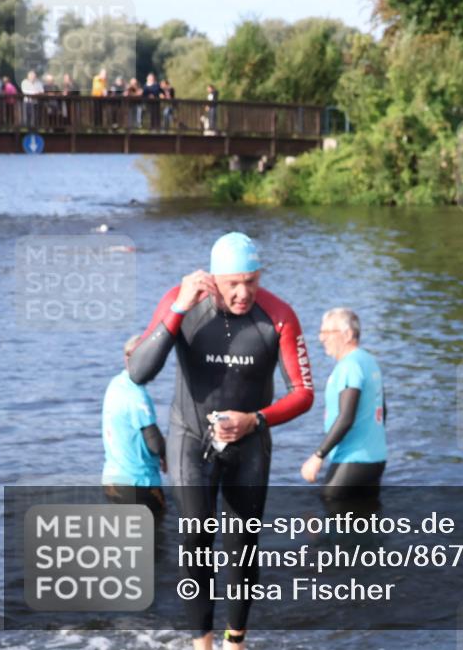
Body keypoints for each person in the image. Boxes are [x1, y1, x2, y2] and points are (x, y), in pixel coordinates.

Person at [128, 232, 314, 650]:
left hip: (249, 442)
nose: (244, 292)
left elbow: (304, 393)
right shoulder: (181, 300)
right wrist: (177, 310)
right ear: (213, 278)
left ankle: (235, 642)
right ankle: (202, 643)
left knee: (243, 547)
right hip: (190, 439)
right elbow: (139, 372)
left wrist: (255, 420)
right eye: (233, 283)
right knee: (195, 540)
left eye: (252, 280)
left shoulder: (279, 315)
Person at [300, 308, 387, 498]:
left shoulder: (349, 366)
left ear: (347, 335)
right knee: (365, 518)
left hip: (353, 459)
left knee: (330, 508)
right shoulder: (369, 361)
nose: (321, 338)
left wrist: (317, 456)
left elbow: (346, 417)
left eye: (327, 332)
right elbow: (382, 410)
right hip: (376, 458)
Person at [102, 335, 167, 519]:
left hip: (112, 480)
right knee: (155, 542)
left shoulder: (116, 383)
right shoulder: (136, 396)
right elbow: (155, 444)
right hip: (139, 484)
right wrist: (169, 452)